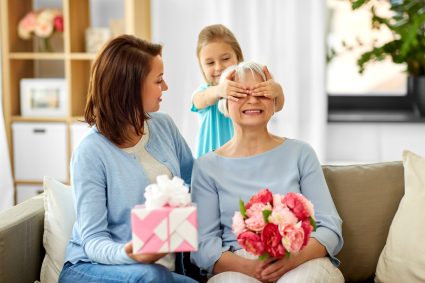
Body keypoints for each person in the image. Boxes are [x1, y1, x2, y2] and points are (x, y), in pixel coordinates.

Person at [58, 35, 197, 283]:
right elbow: (92, 240)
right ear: (130, 87)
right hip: (90, 267)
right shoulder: (91, 152)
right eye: (158, 80)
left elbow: (195, 185)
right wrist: (129, 253)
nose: (165, 87)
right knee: (151, 276)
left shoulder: (164, 126)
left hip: (157, 272)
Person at [190, 62, 344, 283]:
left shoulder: (300, 153)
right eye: (240, 93)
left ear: (274, 100)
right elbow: (203, 245)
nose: (252, 100)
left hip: (300, 260)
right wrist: (251, 268)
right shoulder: (206, 167)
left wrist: (291, 260)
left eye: (261, 93)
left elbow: (330, 227)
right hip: (237, 266)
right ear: (224, 102)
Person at [192, 24, 285, 158]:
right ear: (201, 66)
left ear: (238, 57)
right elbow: (199, 100)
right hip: (212, 165)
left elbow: (277, 106)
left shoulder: (249, 87)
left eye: (225, 59)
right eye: (210, 63)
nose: (218, 67)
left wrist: (277, 91)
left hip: (245, 158)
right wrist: (219, 91)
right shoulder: (206, 92)